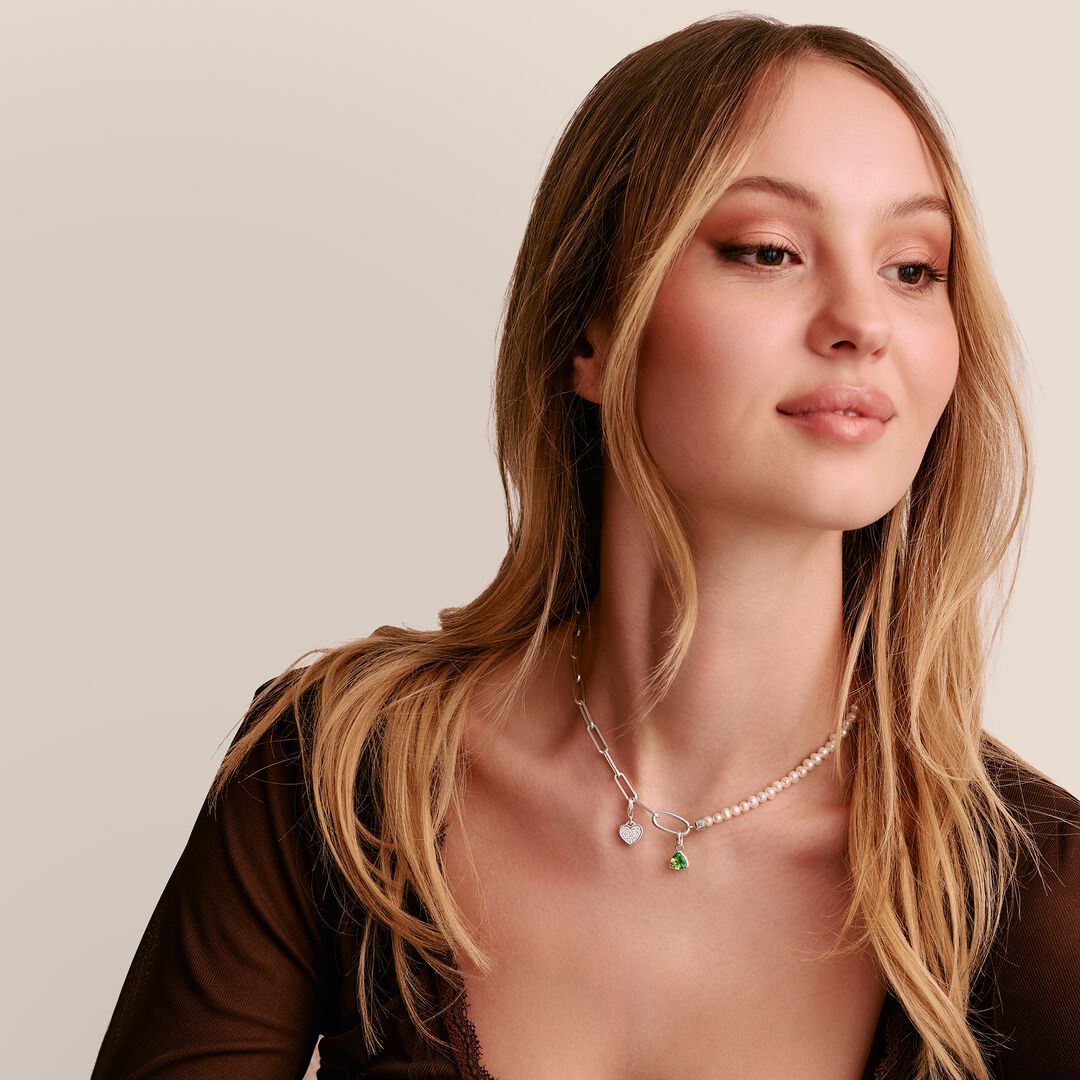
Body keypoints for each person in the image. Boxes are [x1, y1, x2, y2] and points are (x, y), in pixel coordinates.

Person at [91, 13, 1079, 1080]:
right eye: (769, 251)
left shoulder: (1036, 891)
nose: (861, 321)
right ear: (588, 334)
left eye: (914, 268)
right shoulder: (327, 775)